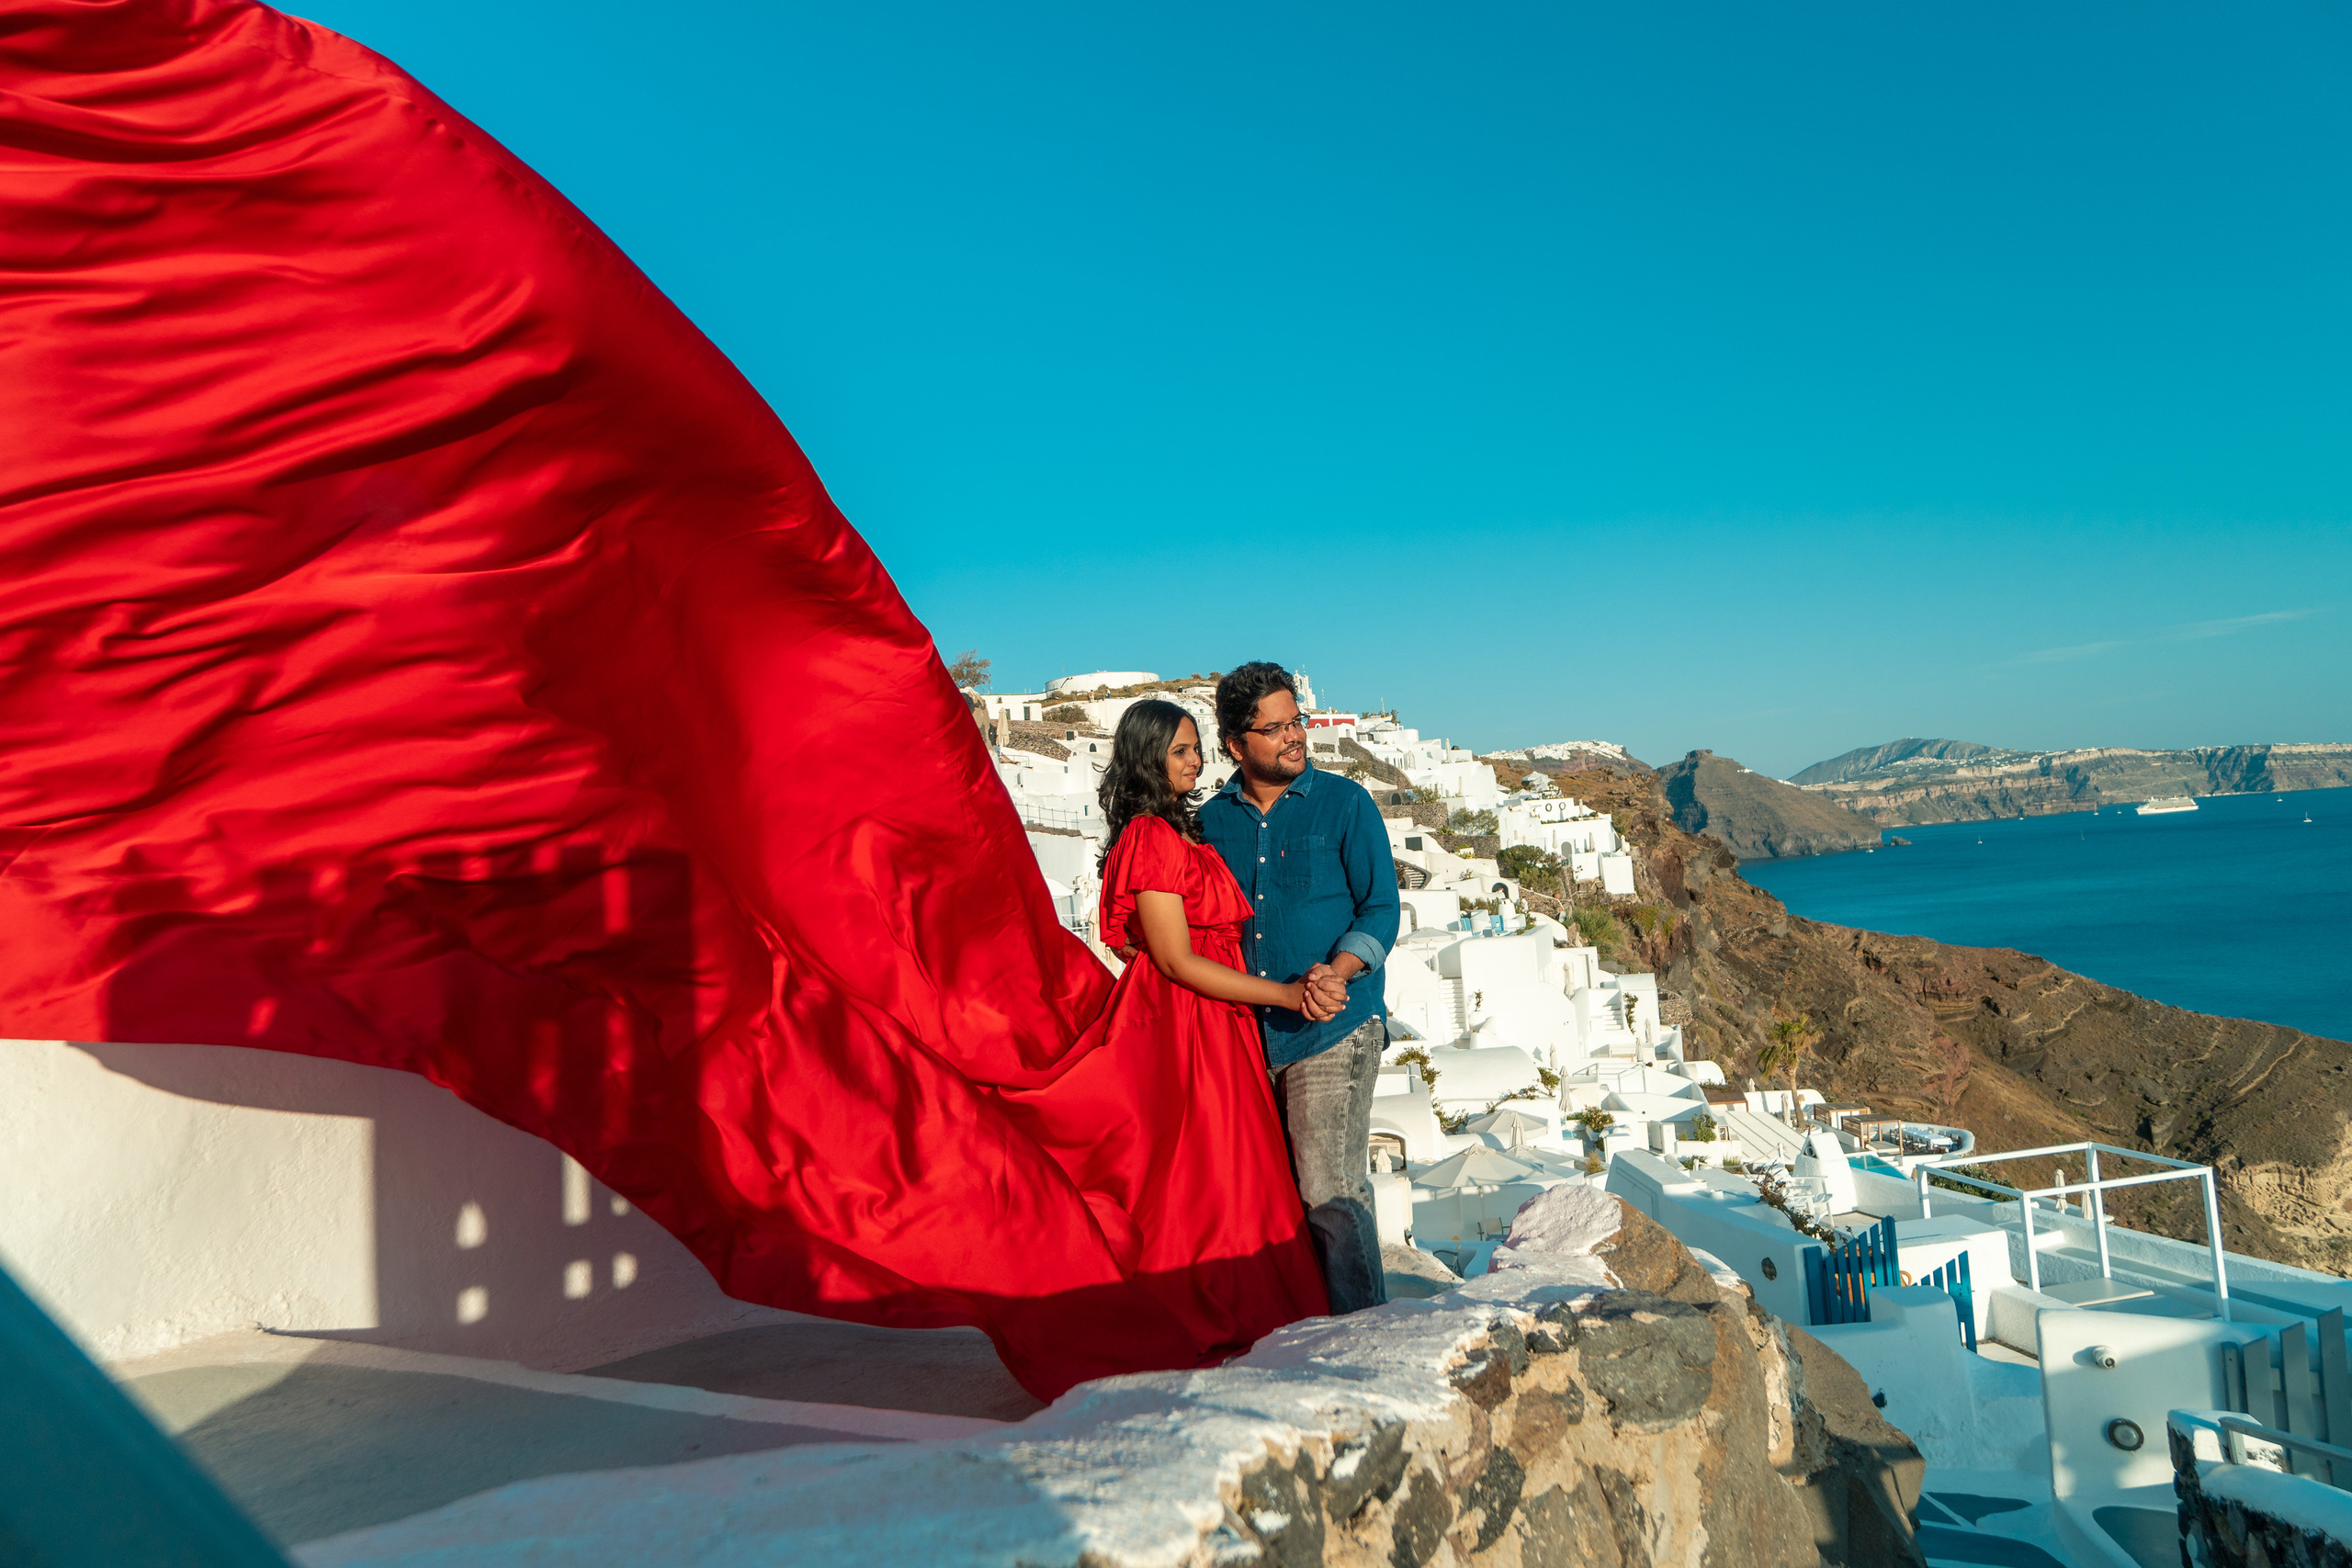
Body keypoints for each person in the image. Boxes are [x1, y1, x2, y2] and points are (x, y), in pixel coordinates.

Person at [997, 699, 1329, 1360]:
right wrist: (1286, 995)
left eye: (1196, 748)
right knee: (1205, 1178)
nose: (1195, 761)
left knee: (1219, 1176)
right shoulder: (1150, 837)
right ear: (1147, 756)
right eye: (1180, 750)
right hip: (1191, 1024)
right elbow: (1175, 959)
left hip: (1211, 1022)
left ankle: (1242, 1315)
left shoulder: (1179, 835)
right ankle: (1208, 1316)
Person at [1198, 662, 1401, 1314]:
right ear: (1236, 744)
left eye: (1297, 722)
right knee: (1270, 1198)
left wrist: (1336, 973)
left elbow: (1381, 909)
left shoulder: (1347, 803)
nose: (1294, 737)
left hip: (1334, 1026)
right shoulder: (1210, 824)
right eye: (1275, 727)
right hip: (1246, 1039)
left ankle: (1364, 1339)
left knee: (1330, 1187)